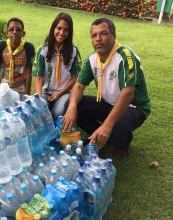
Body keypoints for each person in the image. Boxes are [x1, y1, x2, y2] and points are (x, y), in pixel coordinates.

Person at [62, 18, 151, 157]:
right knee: (72, 103)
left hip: (133, 107)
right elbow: (78, 86)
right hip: (108, 103)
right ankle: (97, 135)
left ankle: (121, 142)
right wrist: (72, 107)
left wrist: (107, 126)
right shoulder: (92, 59)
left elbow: (128, 94)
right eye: (94, 35)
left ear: (113, 36)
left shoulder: (125, 55)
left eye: (103, 33)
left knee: (118, 129)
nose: (98, 39)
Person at [34, 12, 82, 119]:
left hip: (65, 92)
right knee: (41, 109)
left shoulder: (73, 51)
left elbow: (75, 77)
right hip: (45, 91)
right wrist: (38, 99)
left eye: (66, 30)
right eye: (59, 28)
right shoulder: (42, 50)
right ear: (53, 29)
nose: (61, 32)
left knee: (58, 113)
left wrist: (60, 93)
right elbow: (38, 77)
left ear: (70, 32)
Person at [0, 17, 35, 100]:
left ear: (23, 33)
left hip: (21, 88)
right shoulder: (0, 46)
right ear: (7, 33)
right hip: (4, 87)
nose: (14, 32)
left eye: (18, 30)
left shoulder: (28, 48)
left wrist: (27, 97)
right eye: (11, 29)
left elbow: (28, 73)